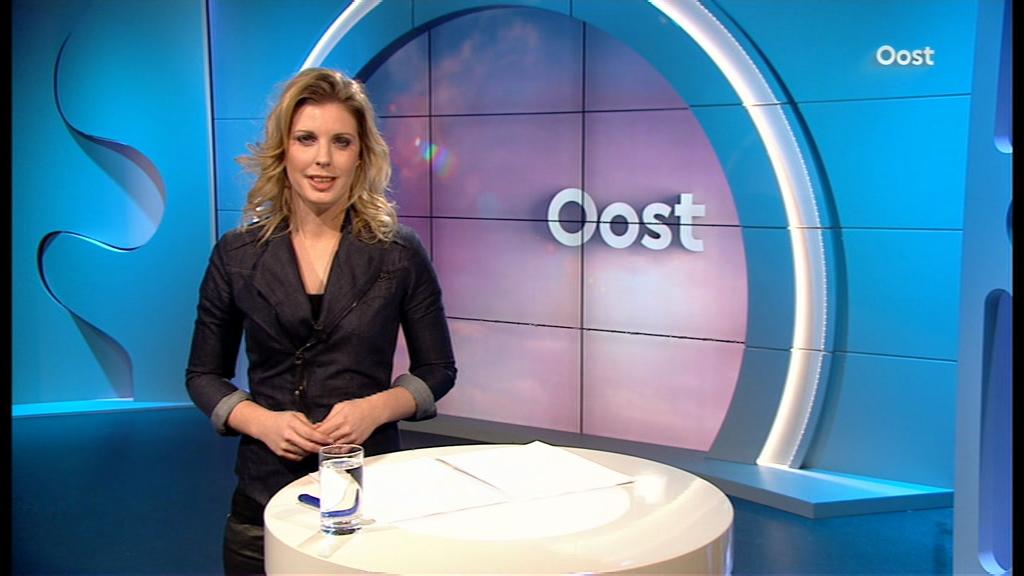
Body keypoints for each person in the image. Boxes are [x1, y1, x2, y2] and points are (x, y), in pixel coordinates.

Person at [185, 67, 457, 575]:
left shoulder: (399, 253)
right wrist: (261, 422)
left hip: (370, 493)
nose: (323, 159)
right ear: (283, 150)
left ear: (361, 155)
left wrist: (374, 409)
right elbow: (202, 375)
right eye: (306, 139)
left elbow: (438, 369)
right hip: (263, 499)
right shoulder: (236, 255)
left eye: (341, 142)